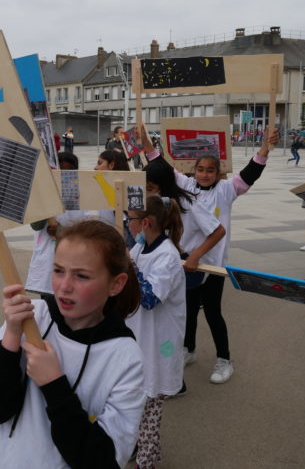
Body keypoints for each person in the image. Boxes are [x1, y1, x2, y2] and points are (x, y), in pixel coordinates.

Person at [0, 220, 146, 468]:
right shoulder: (30, 317)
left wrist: (54, 385)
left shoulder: (125, 358)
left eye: (81, 275)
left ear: (116, 283)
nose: (65, 286)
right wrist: (11, 338)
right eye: (58, 270)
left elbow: (102, 462)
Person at [165, 129, 277, 385]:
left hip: (213, 265)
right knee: (189, 310)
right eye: (201, 169)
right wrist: (143, 144)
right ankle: (188, 349)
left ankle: (224, 360)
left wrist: (265, 149)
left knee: (213, 312)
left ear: (218, 172)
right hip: (187, 263)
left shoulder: (227, 190)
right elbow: (161, 165)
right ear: (194, 170)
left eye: (210, 170)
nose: (204, 174)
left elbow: (251, 173)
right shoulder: (186, 184)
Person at [139, 141, 225, 392]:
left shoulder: (188, 203)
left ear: (164, 186)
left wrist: (196, 256)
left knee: (176, 325)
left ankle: (178, 379)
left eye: (152, 188)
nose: (149, 193)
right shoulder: (155, 205)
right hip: (167, 270)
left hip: (187, 272)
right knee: (169, 325)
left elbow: (218, 231)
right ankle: (177, 366)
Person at [125, 196, 186, 468]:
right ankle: (138, 449)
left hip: (159, 344)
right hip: (140, 338)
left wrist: (130, 266)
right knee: (136, 402)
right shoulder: (141, 249)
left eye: (131, 220)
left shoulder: (168, 257)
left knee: (149, 407)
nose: (128, 225)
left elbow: (149, 298)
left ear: (146, 222)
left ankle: (146, 462)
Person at [26, 152, 113, 296]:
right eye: (61, 171)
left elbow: (88, 228)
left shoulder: (82, 194)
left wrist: (61, 231)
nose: (64, 176)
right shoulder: (45, 192)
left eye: (69, 171)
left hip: (73, 260)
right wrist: (46, 201)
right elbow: (35, 225)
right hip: (48, 263)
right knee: (49, 305)